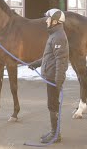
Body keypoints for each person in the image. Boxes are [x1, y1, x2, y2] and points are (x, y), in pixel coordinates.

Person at [28, 8, 69, 143]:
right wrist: (36, 63)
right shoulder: (54, 35)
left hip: (53, 78)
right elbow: (49, 57)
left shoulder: (59, 37)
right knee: (51, 105)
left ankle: (56, 134)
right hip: (51, 76)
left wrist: (58, 80)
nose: (46, 20)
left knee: (53, 105)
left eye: (48, 18)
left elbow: (61, 60)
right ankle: (54, 131)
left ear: (55, 21)